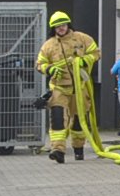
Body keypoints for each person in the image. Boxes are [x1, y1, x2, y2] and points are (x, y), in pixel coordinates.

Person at [35, 10, 99, 162]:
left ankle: (78, 149)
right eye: (57, 27)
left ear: (68, 24)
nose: (61, 28)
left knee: (78, 120)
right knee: (57, 118)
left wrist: (84, 61)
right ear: (53, 29)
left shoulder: (82, 38)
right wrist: (49, 69)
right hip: (59, 88)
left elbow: (96, 53)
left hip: (80, 88)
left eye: (63, 25)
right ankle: (58, 150)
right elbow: (39, 64)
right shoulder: (48, 45)